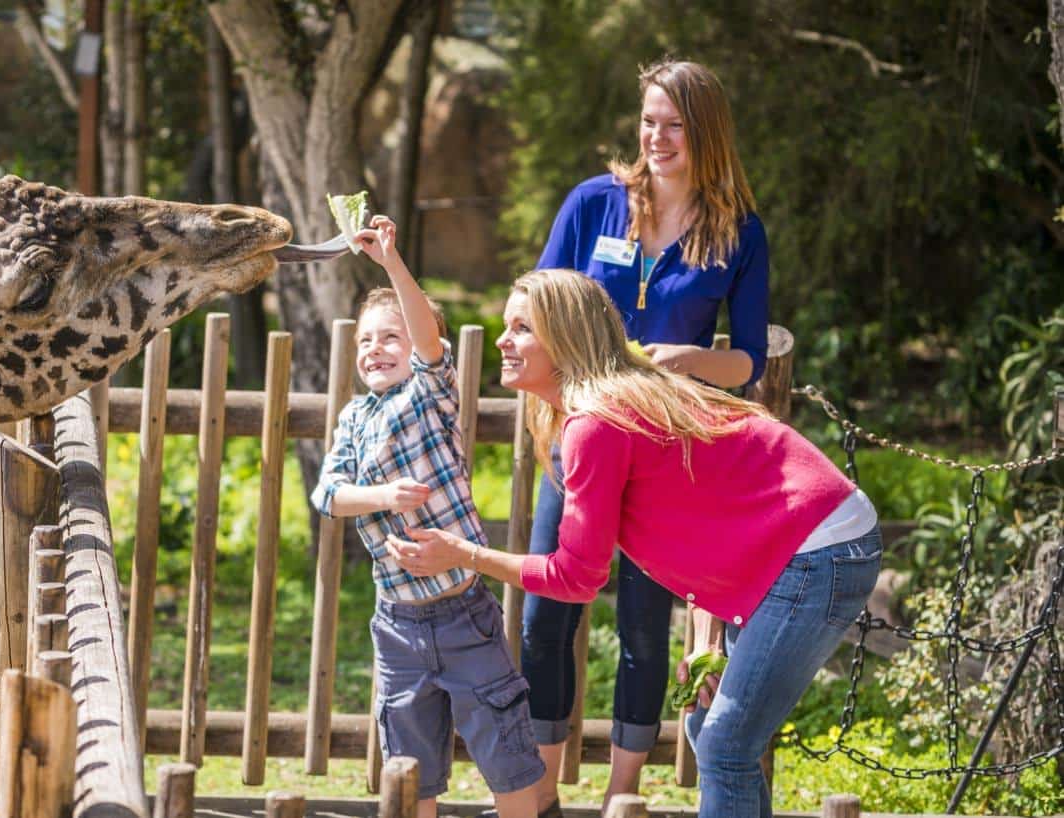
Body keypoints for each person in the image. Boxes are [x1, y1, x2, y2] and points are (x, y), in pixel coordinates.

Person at [389, 269, 881, 818]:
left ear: (565, 336)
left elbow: (577, 577)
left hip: (818, 544)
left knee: (724, 743)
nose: (503, 340)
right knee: (709, 726)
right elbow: (707, 516)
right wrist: (705, 638)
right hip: (795, 544)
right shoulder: (604, 405)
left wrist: (466, 555)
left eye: (522, 328)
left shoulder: (597, 422)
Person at [525, 58, 770, 812]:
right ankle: (539, 788)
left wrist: (689, 357)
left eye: (675, 125)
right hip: (582, 441)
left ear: (706, 133)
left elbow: (748, 358)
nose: (657, 138)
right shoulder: (593, 203)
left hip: (668, 455)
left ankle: (620, 796)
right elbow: (535, 302)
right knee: (545, 617)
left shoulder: (738, 232)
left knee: (642, 625)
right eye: (649, 122)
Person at [311, 216, 544, 818]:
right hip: (397, 627)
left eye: (390, 337)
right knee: (411, 770)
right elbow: (329, 495)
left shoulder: (430, 395)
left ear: (418, 348)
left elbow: (426, 344)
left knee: (505, 751)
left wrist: (391, 262)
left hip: (465, 616)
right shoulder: (354, 419)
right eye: (365, 341)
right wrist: (385, 496)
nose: (375, 349)